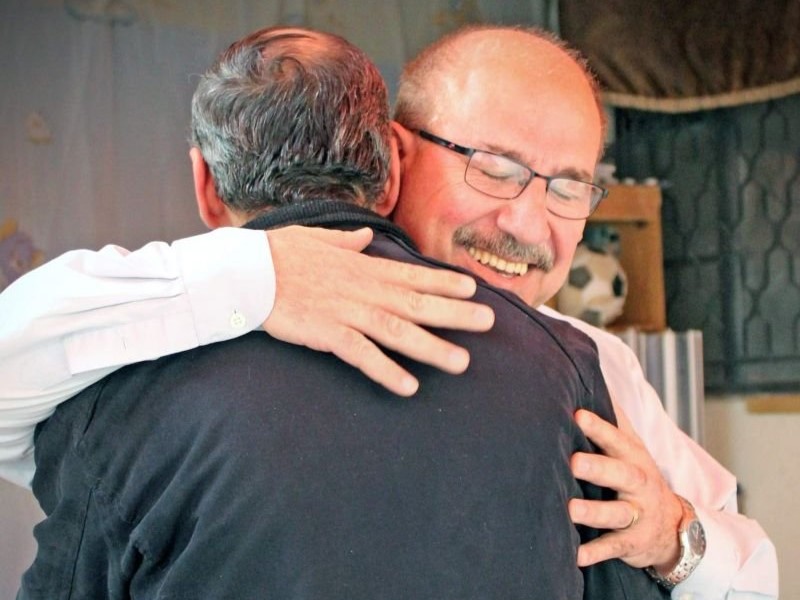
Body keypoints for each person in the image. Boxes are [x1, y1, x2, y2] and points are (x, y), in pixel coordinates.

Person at [0, 23, 777, 600]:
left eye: (569, 187)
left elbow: (753, 576)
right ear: (395, 154)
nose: (528, 224)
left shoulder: (589, 365)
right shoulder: (162, 328)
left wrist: (677, 537)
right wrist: (259, 273)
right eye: (496, 169)